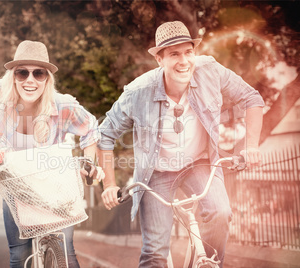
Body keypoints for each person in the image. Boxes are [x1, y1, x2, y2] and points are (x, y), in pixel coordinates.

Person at [98, 21, 264, 267]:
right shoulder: (138, 92)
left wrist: (251, 146)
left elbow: (252, 97)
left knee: (220, 213)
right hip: (156, 172)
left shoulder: (210, 71)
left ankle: (207, 261)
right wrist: (109, 185)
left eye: (188, 52)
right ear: (160, 60)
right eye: (174, 54)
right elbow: (105, 134)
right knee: (154, 251)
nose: (184, 61)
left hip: (199, 162)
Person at [0, 40, 104, 268]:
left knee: (66, 252)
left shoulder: (62, 105)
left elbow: (91, 127)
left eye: (38, 73)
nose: (30, 80)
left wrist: (89, 164)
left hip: (56, 186)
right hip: (16, 186)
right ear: (13, 76)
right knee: (19, 256)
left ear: (47, 79)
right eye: (22, 73)